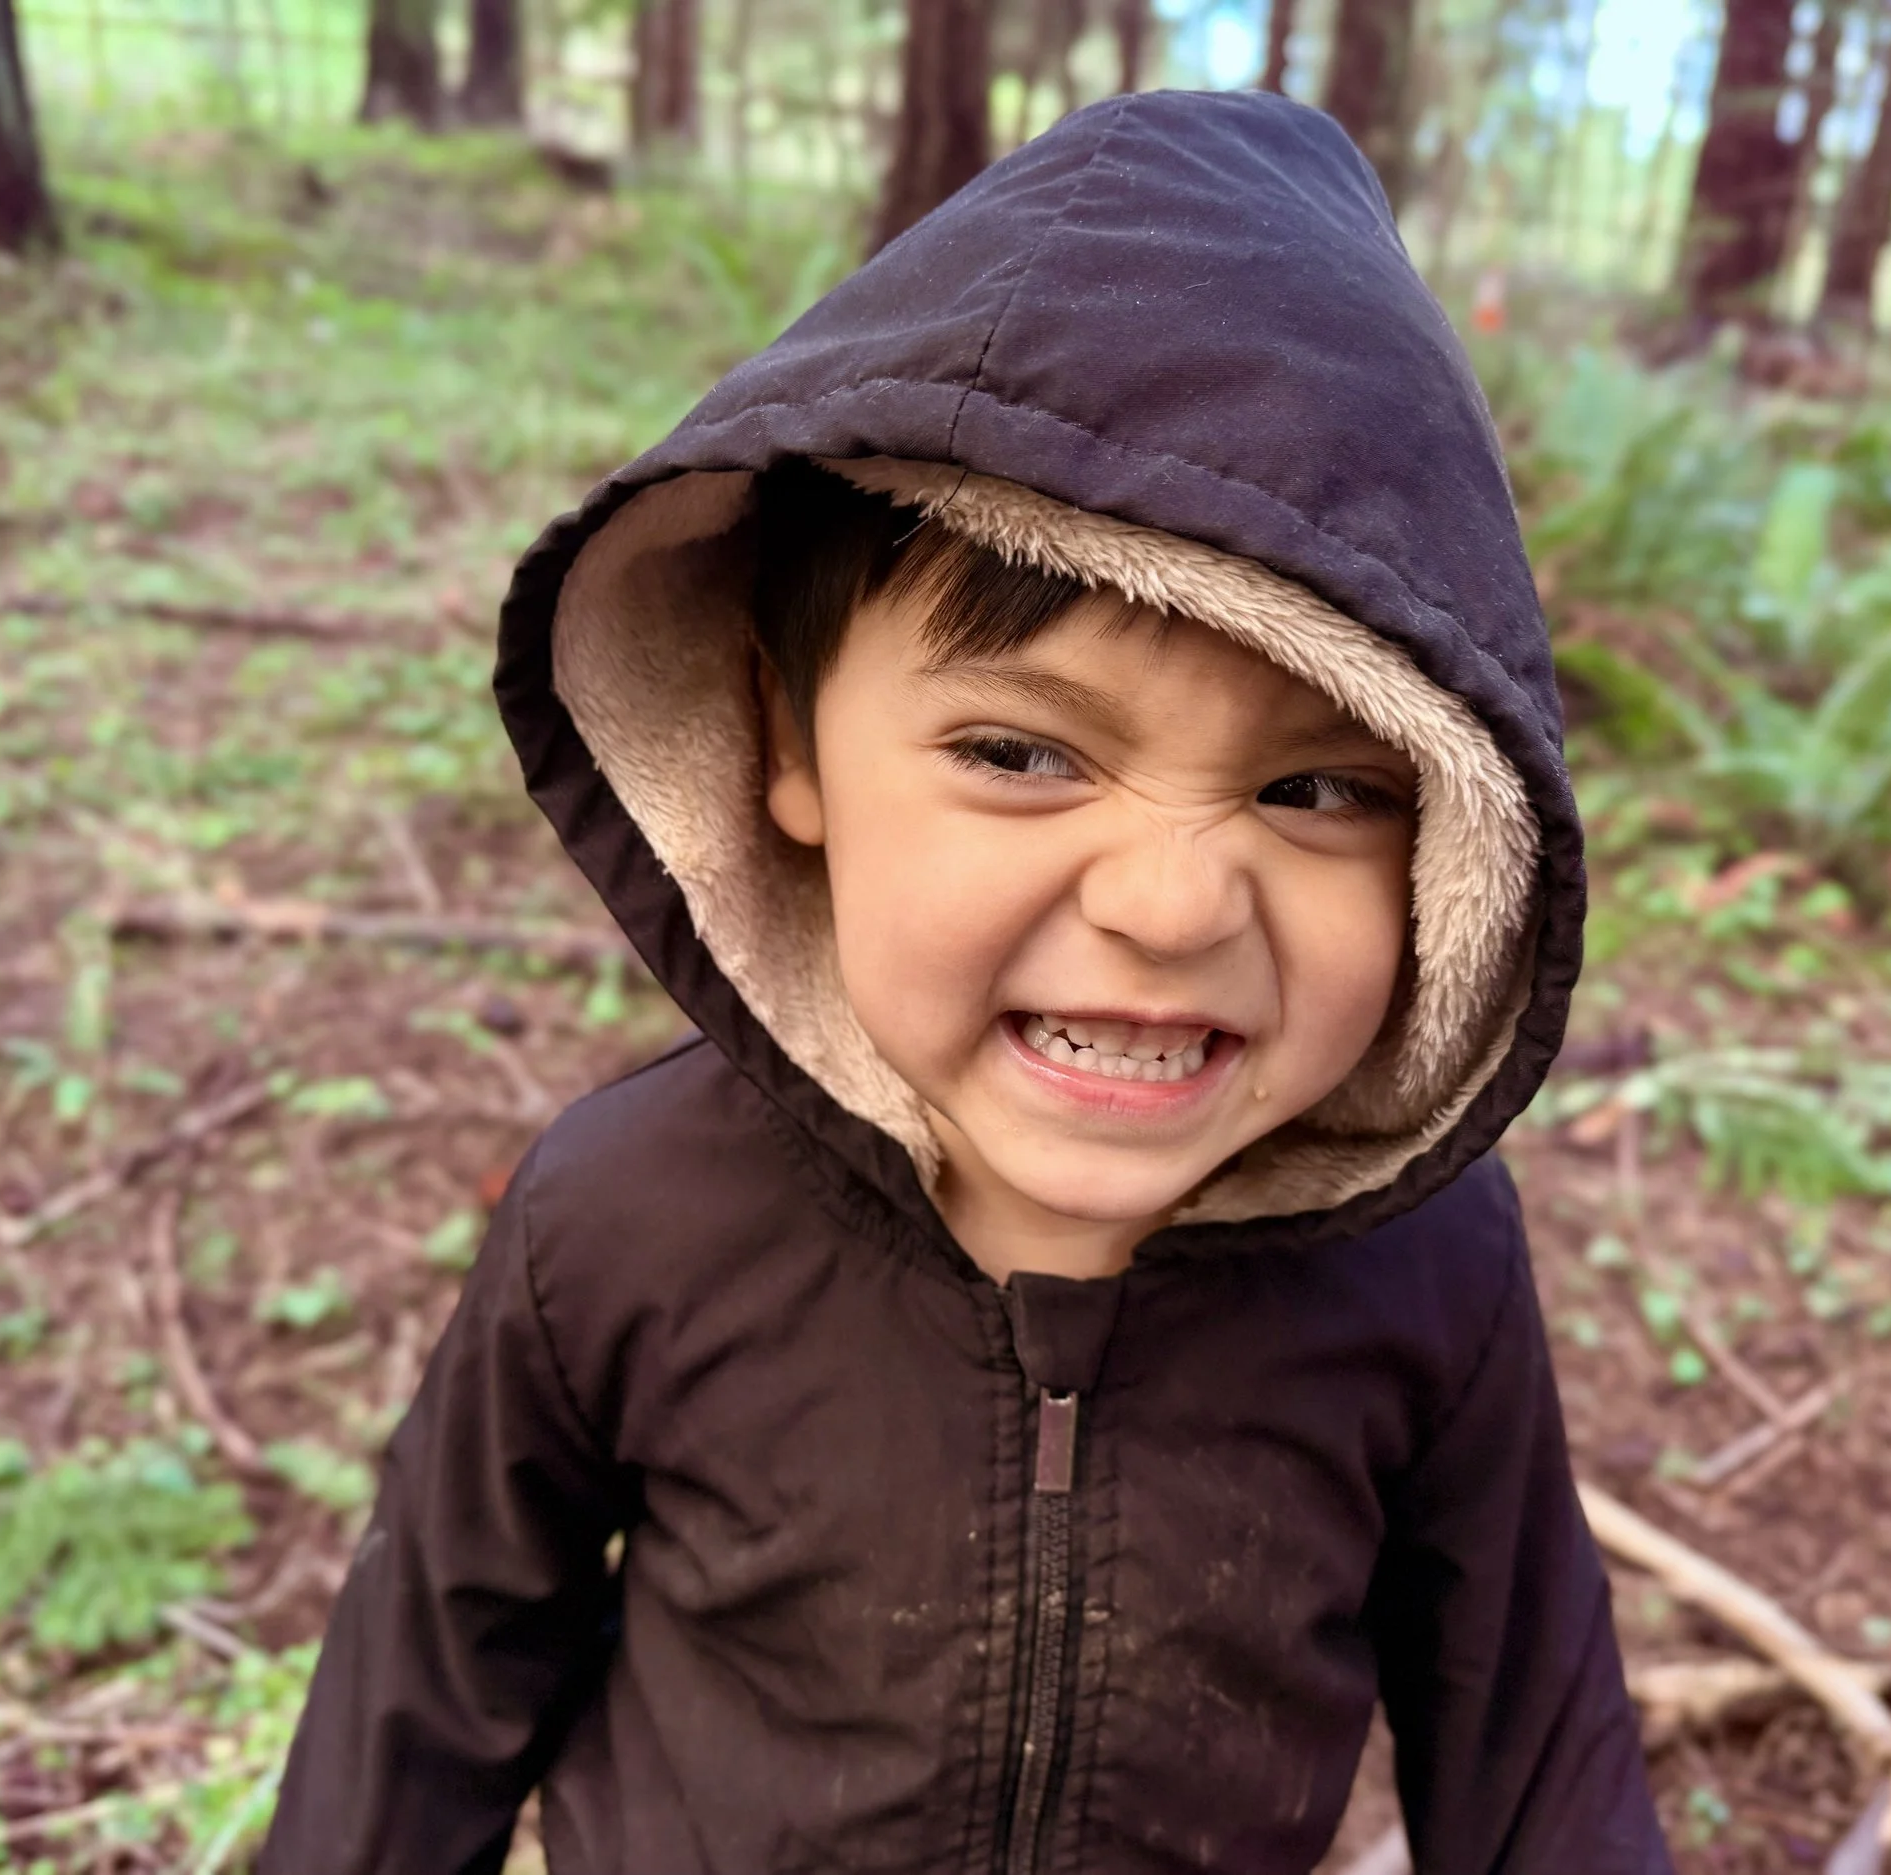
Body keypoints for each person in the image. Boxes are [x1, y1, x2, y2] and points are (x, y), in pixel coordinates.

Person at [260, 90, 1669, 1875]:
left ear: (1450, 854)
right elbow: (423, 1700)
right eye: (1020, 752)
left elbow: (1535, 1752)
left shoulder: (1428, 1271)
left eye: (1318, 791)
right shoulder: (623, 1223)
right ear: (789, 744)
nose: (1169, 902)